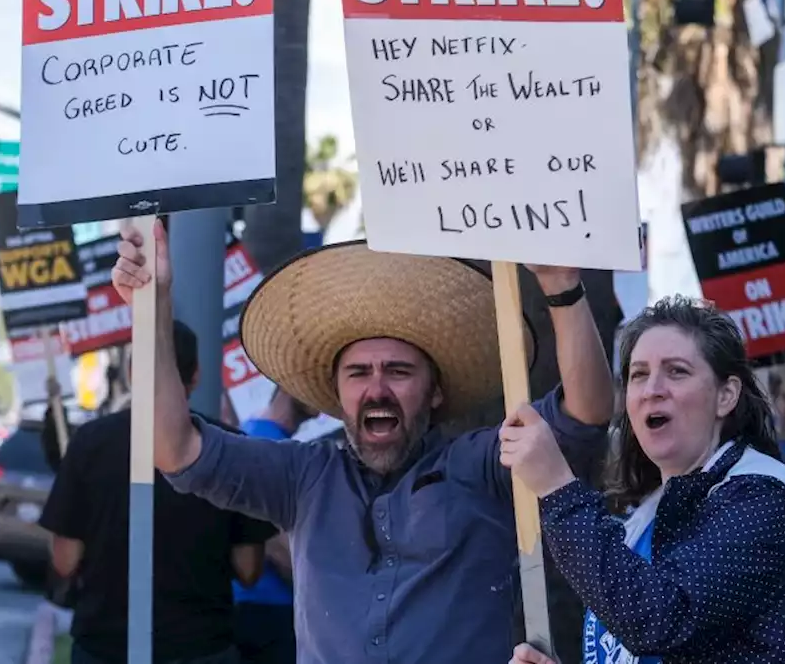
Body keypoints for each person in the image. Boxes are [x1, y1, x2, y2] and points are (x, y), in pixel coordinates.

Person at [109, 226, 614, 664]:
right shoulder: (302, 477)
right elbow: (175, 448)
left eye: (398, 371)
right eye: (358, 373)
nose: (377, 389)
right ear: (336, 395)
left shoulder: (480, 465)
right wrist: (150, 311)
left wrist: (560, 285)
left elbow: (584, 415)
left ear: (435, 391)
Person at [501, 295, 785, 664]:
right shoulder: (646, 516)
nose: (652, 388)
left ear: (725, 396)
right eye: (639, 374)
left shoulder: (761, 504)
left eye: (677, 371)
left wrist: (558, 488)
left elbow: (659, 620)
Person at [39, 319, 278, 664]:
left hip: (105, 646)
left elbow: (65, 560)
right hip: (201, 647)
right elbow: (249, 569)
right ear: (196, 375)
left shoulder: (89, 443)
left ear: (133, 373)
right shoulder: (230, 448)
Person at [231, 391, 315, 664]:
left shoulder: (253, 436)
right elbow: (277, 547)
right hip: (269, 614)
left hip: (250, 609)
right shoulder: (270, 447)